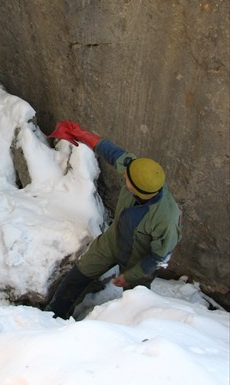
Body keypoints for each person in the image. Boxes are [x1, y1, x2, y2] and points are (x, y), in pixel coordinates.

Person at [45, 121, 181, 319]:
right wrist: (80, 133)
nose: (124, 174)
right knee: (78, 276)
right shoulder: (137, 171)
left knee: (135, 305)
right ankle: (53, 316)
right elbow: (112, 152)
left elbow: (158, 257)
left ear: (140, 191)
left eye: (127, 179)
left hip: (138, 261)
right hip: (112, 242)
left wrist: (130, 276)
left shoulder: (166, 218)